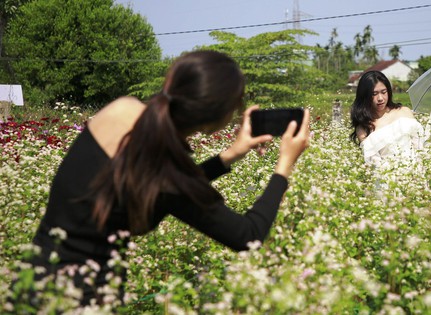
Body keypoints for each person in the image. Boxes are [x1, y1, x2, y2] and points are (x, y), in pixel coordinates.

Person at [13, 50, 310, 307]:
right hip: (81, 302)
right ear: (218, 119)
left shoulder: (121, 110)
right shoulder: (171, 175)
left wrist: (228, 157)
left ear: (172, 81)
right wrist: (284, 164)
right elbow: (249, 235)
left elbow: (156, 184)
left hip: (28, 286)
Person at [350, 70, 424, 167]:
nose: (380, 98)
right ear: (365, 96)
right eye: (374, 94)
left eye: (384, 92)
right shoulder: (364, 127)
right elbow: (374, 163)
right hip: (387, 178)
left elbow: (420, 146)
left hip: (416, 173)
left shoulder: (404, 111)